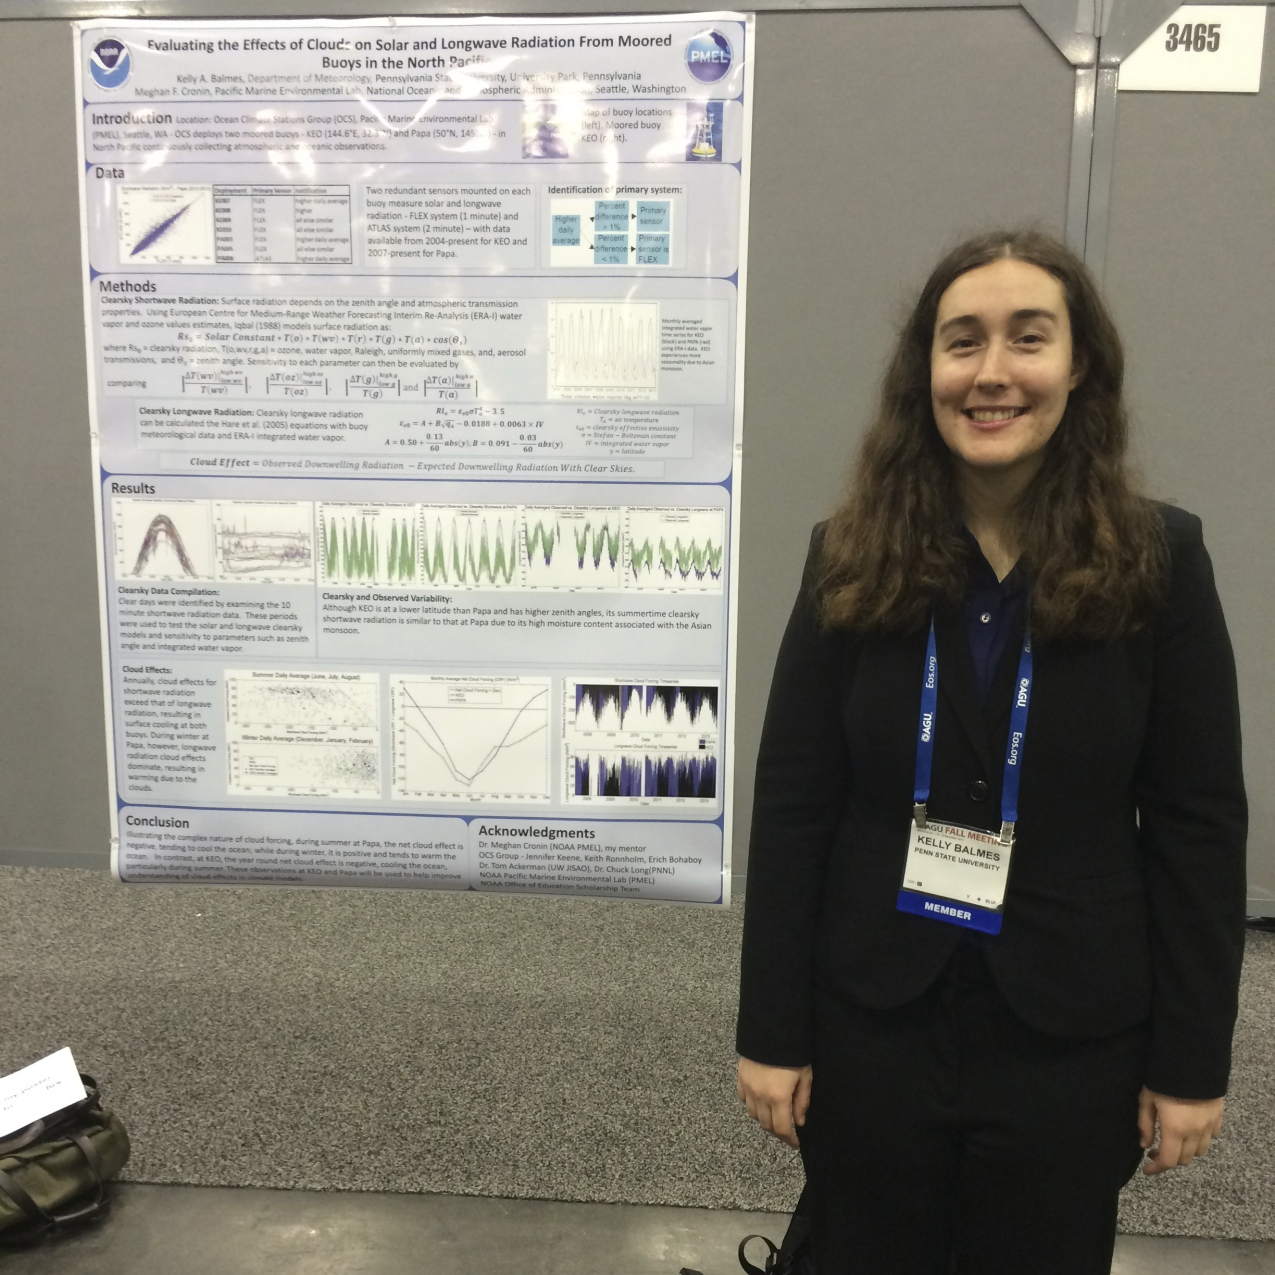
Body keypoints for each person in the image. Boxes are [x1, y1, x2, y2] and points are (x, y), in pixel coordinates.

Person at [735, 228, 1247, 1275]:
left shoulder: (1163, 564)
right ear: (924, 371)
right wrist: (772, 1029)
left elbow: (1199, 825)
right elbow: (794, 805)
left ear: (1079, 367)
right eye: (961, 341)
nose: (993, 372)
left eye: (1029, 338)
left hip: (1071, 1028)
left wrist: (1191, 1061)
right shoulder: (849, 556)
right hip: (872, 1011)